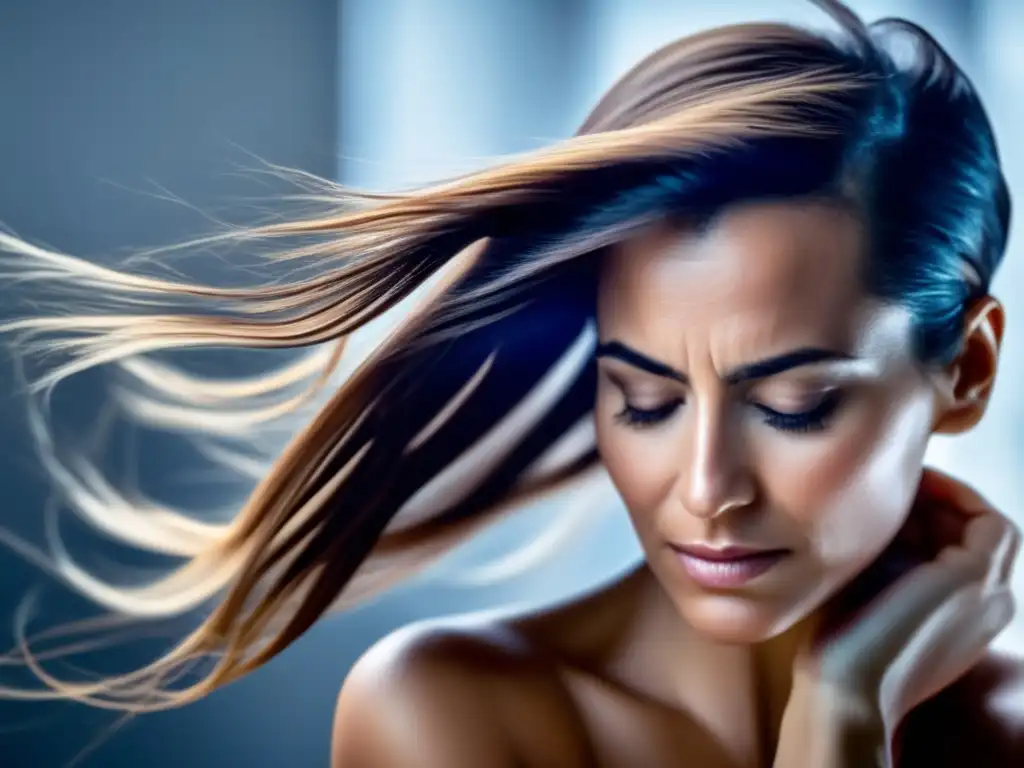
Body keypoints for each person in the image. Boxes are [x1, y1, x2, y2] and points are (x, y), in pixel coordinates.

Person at [0, 0, 1019, 765]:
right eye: (645, 400)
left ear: (965, 369)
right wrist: (836, 721)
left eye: (793, 405)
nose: (705, 488)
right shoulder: (449, 715)